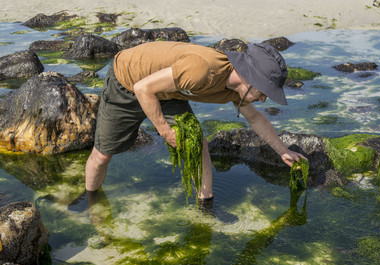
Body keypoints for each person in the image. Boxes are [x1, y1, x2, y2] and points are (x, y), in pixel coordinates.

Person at [84, 41, 307, 204]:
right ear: (249, 79)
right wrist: (164, 131)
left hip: (170, 91)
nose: (264, 98)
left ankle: (205, 203)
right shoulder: (203, 70)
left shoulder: (238, 88)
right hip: (129, 81)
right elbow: (143, 88)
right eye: (264, 91)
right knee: (103, 154)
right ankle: (91, 199)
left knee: (197, 142)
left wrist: (282, 151)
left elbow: (255, 117)